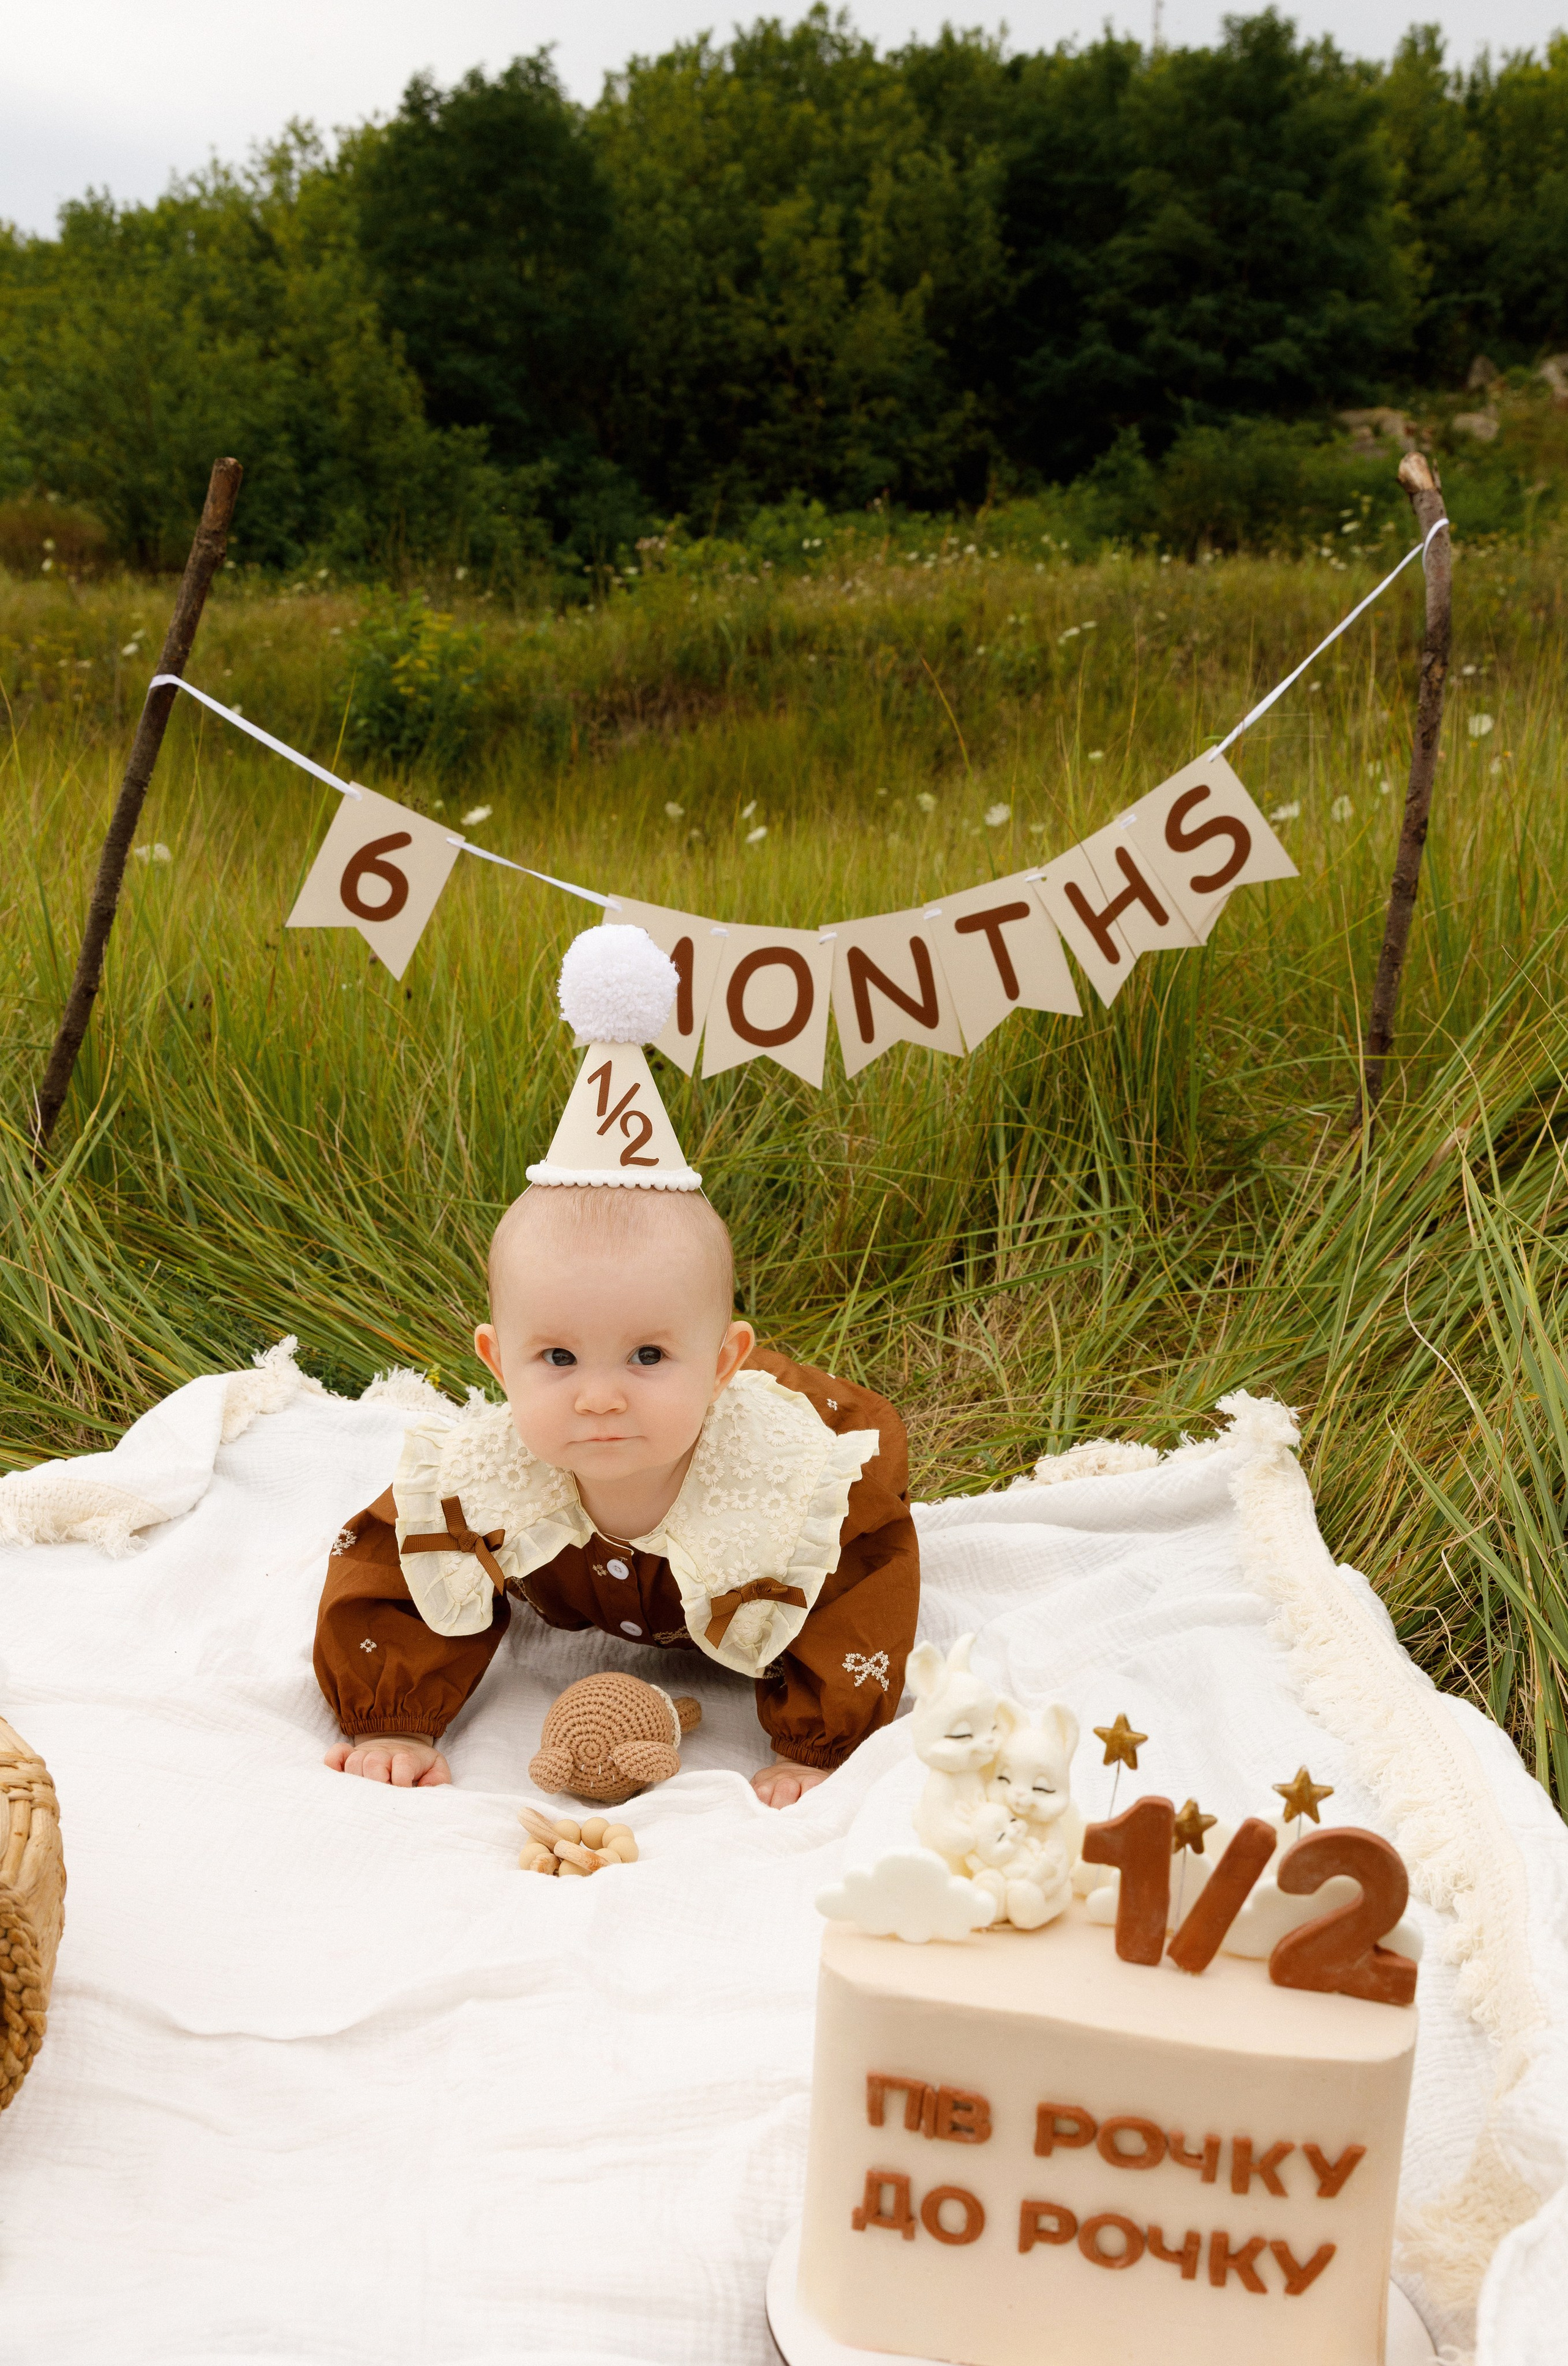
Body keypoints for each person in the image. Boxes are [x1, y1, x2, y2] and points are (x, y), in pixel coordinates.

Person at [314, 920, 918, 1807]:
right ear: (497, 1360)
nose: (600, 1396)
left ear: (721, 1363)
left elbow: (861, 1578)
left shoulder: (785, 1486)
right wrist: (394, 1714)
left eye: (647, 1354)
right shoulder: (488, 1477)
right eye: (557, 1355)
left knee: (835, 1529)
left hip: (746, 1447)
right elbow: (391, 1565)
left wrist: (816, 1742)